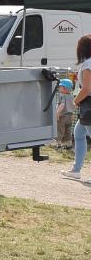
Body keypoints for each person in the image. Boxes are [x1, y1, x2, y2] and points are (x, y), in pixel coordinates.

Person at [63, 35, 91, 180]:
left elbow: (86, 89)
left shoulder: (87, 65)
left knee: (80, 134)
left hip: (89, 105)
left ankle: (76, 169)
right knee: (79, 133)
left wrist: (74, 101)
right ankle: (76, 169)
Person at [56, 78, 76, 149]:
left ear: (64, 88)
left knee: (60, 130)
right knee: (68, 130)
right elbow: (74, 105)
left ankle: (58, 144)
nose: (59, 88)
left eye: (60, 87)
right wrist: (73, 113)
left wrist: (57, 112)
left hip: (62, 116)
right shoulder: (71, 96)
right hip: (69, 116)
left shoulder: (62, 95)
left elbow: (62, 105)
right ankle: (68, 144)